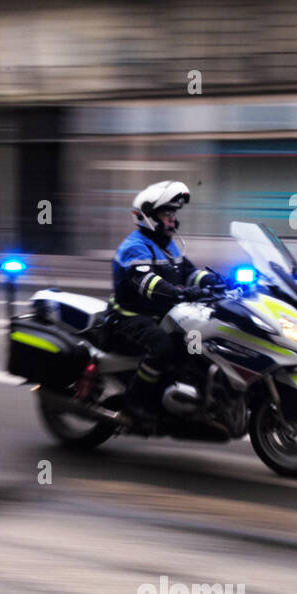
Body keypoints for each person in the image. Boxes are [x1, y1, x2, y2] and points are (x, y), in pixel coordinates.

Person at [103, 180, 222, 420]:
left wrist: (218, 281)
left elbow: (189, 273)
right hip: (130, 315)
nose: (172, 219)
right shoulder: (135, 246)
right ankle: (134, 403)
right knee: (163, 347)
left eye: (173, 214)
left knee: (198, 342)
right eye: (167, 214)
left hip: (162, 314)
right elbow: (146, 283)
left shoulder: (169, 246)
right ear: (148, 217)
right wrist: (179, 293)